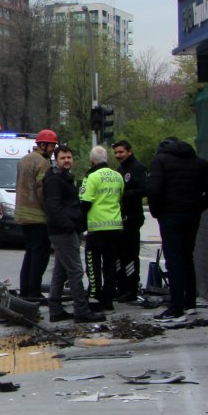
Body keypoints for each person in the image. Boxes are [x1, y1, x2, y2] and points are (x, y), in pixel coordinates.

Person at [146, 138, 208, 320]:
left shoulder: (160, 161)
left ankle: (176, 306)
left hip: (170, 216)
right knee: (187, 257)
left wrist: (157, 212)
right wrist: (197, 207)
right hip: (191, 216)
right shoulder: (200, 163)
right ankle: (190, 304)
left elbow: (154, 191)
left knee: (174, 260)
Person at [43, 145, 103, 322]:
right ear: (56, 159)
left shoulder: (63, 177)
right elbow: (54, 206)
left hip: (63, 229)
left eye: (69, 157)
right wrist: (69, 225)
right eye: (63, 158)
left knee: (60, 272)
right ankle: (81, 311)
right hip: (63, 231)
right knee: (76, 271)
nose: (67, 160)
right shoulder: (54, 179)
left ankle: (55, 309)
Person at [80, 145, 124, 314]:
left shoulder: (91, 177)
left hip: (96, 227)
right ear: (107, 159)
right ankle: (109, 298)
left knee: (93, 263)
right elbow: (120, 199)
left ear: (92, 161)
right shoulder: (118, 176)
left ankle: (94, 296)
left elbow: (85, 202)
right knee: (110, 264)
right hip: (115, 226)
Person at [15, 129, 57, 302]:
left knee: (30, 254)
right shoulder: (43, 163)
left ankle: (25, 291)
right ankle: (34, 292)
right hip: (38, 217)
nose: (53, 150)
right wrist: (51, 213)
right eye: (52, 146)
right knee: (40, 257)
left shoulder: (24, 160)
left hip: (23, 216)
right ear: (43, 145)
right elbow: (42, 191)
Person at [111, 140, 147, 301]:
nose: (118, 155)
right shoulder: (120, 169)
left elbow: (144, 189)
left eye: (121, 152)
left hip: (132, 217)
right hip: (120, 218)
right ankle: (121, 286)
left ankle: (131, 289)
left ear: (129, 152)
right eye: (116, 153)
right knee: (119, 254)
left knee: (130, 255)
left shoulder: (137, 168)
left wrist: (125, 195)